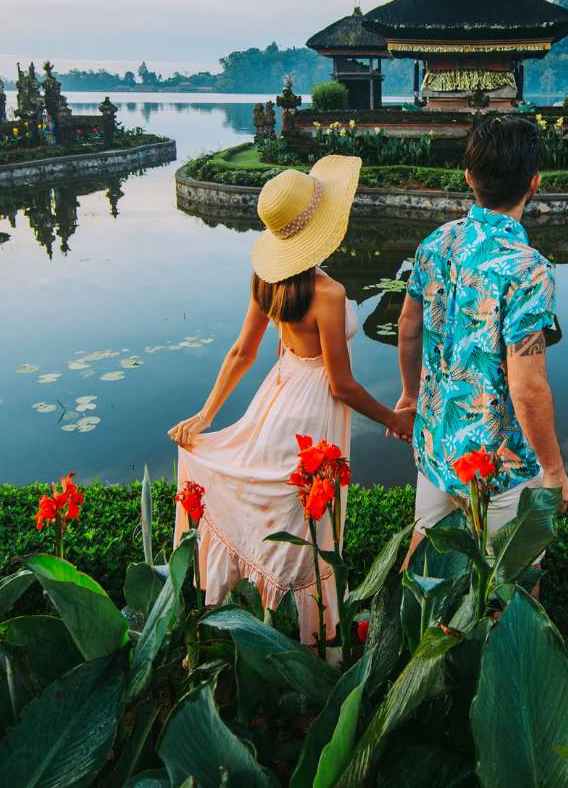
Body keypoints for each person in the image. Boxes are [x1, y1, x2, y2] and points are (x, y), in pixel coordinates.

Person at [169, 155, 410, 647]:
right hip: (315, 407)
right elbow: (341, 384)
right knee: (310, 519)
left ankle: (263, 622)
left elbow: (241, 353)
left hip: (276, 398)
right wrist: (393, 418)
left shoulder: (267, 281)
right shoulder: (330, 292)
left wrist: (206, 415)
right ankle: (313, 641)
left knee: (282, 503)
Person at [395, 116, 568, 560]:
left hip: (437, 441)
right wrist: (554, 470)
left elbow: (408, 327)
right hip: (499, 463)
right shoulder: (527, 268)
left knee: (426, 561)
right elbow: (526, 385)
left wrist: (409, 395)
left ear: (469, 178)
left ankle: (404, 628)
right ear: (534, 183)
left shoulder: (437, 242)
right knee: (515, 583)